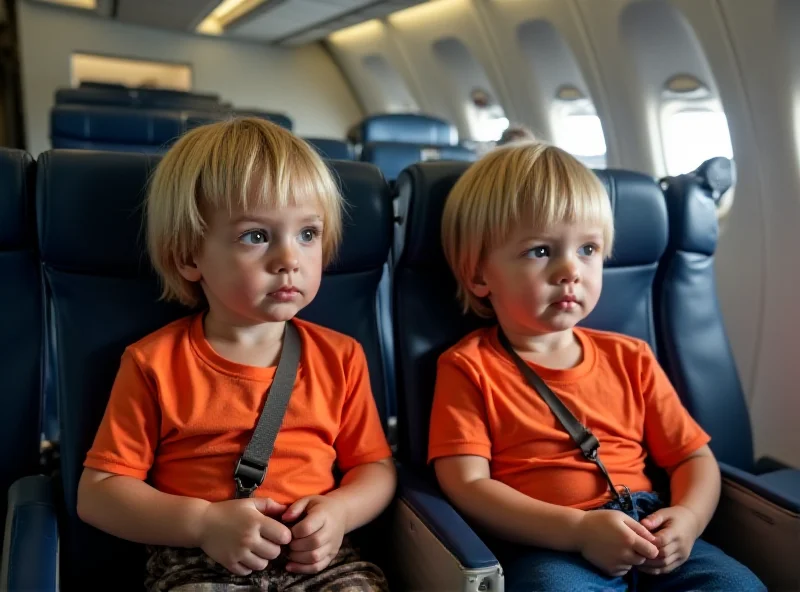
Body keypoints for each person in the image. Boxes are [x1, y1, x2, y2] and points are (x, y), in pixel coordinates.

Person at [428, 141, 765, 591]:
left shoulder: (632, 358)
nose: (571, 270)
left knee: (736, 585)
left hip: (652, 527)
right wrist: (577, 530)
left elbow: (692, 457)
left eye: (588, 249)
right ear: (479, 275)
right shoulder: (468, 368)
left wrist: (688, 519)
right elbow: (467, 485)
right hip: (549, 540)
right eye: (541, 251)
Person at [77, 118, 397, 591]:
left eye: (308, 234)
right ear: (190, 257)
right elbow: (98, 494)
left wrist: (341, 511)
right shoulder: (153, 363)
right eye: (256, 236)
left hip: (317, 557)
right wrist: (204, 524)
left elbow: (374, 467)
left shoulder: (341, 357)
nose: (289, 258)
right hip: (200, 557)